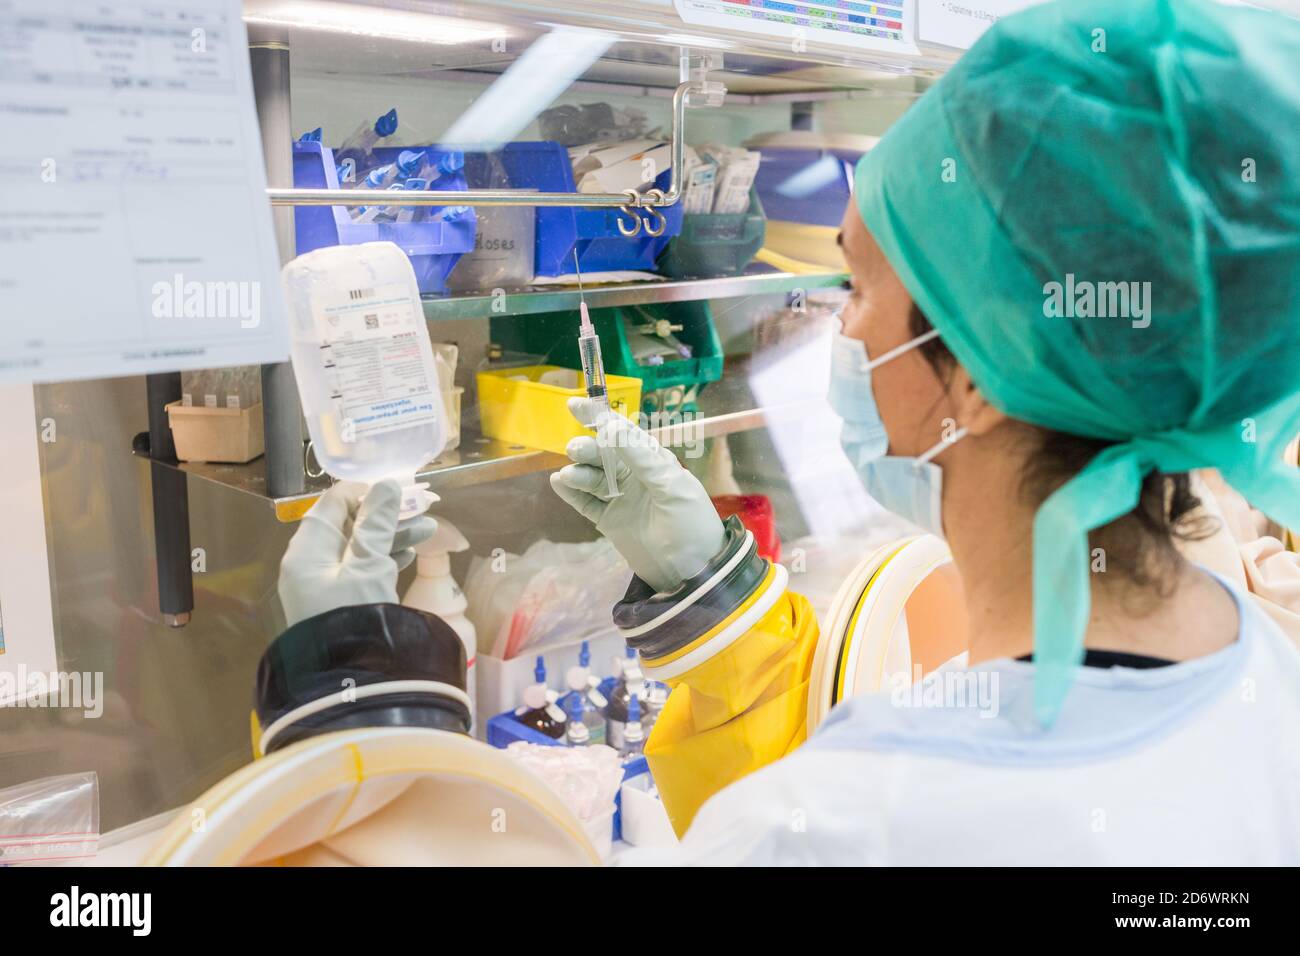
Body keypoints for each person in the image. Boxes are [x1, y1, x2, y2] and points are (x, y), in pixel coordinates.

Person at [279, 0, 1300, 865]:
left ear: (982, 371)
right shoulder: (1261, 668)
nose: (837, 332)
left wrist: (349, 707)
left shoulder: (842, 831)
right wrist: (704, 591)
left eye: (856, 288)